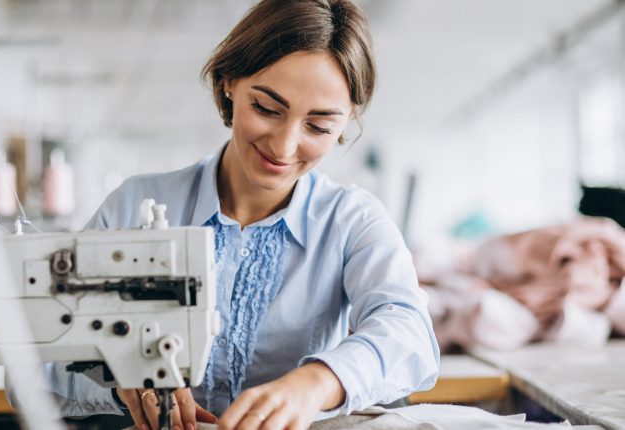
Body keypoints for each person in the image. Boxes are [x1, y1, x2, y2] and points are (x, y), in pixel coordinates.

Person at [41, 0, 439, 429]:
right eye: (267, 109)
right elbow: (34, 354)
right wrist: (117, 381)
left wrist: (316, 383)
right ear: (229, 82)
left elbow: (408, 334)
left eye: (319, 126)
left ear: (346, 122)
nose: (284, 147)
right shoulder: (133, 203)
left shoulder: (353, 222)